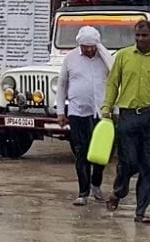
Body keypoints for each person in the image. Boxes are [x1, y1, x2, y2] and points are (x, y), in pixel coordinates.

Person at [101, 19, 150, 224]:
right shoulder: (123, 56)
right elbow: (112, 84)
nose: (140, 39)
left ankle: (141, 211)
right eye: (137, 36)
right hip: (127, 117)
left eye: (144, 35)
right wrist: (106, 108)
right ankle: (119, 191)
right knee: (129, 162)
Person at [56, 25, 114, 206]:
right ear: (80, 45)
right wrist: (60, 112)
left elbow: (115, 82)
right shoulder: (70, 59)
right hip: (78, 112)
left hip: (101, 113)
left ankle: (96, 182)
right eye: (85, 47)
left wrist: (116, 111)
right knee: (81, 152)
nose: (89, 50)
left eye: (92, 46)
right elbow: (62, 86)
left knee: (102, 153)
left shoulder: (105, 59)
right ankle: (83, 192)